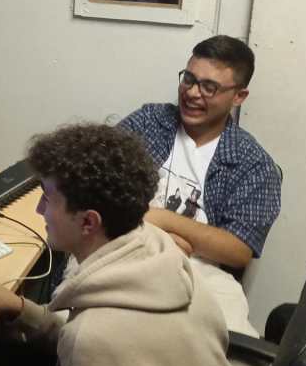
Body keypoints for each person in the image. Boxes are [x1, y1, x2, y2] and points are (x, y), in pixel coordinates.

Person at [0, 123, 239, 366]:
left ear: (88, 222)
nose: (39, 209)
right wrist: (21, 309)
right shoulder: (163, 252)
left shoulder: (94, 341)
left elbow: (97, 346)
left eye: (47, 198)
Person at [117, 34, 281, 336]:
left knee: (226, 345)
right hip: (123, 248)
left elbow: (238, 250)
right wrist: (155, 236)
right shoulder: (148, 122)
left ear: (239, 96)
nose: (192, 93)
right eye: (189, 79)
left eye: (209, 87)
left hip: (199, 272)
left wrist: (162, 220)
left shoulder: (254, 165)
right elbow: (96, 177)